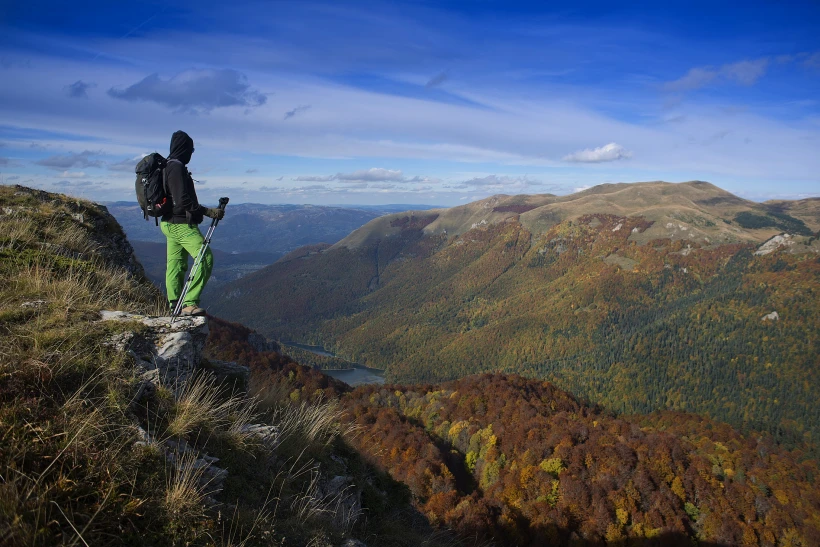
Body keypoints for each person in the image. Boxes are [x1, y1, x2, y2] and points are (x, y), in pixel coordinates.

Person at [160, 130, 224, 316]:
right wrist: (208, 211)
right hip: (181, 225)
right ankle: (189, 303)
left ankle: (175, 305)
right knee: (205, 258)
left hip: (168, 223)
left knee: (175, 264)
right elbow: (183, 201)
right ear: (184, 148)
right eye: (191, 149)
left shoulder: (166, 166)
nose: (192, 153)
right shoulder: (176, 168)